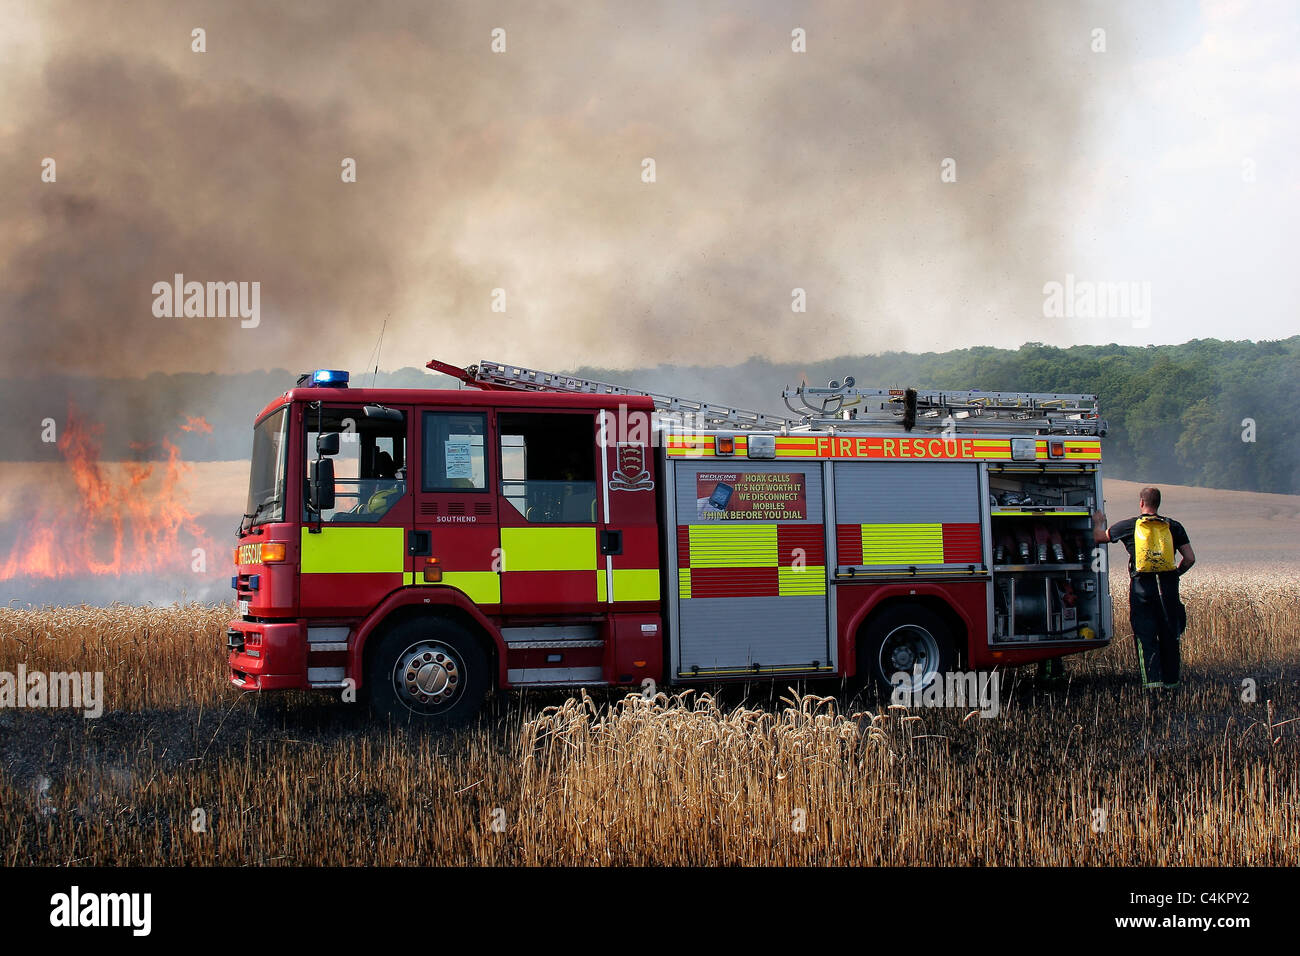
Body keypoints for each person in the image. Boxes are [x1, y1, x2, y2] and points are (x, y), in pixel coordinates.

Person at [1093, 487, 1195, 689]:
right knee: (1170, 639)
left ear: (1141, 503)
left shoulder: (1129, 526)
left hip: (1142, 592)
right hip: (1168, 591)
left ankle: (1152, 686)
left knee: (1146, 639)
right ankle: (1172, 685)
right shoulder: (1174, 526)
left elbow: (1099, 537)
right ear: (1159, 503)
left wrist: (1098, 522)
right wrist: (1174, 574)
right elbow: (1190, 558)